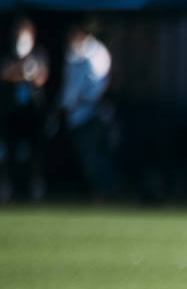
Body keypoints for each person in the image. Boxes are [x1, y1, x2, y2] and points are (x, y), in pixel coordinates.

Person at [59, 19, 116, 198]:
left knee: (93, 157)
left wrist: (82, 100)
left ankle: (104, 193)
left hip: (91, 115)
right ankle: (93, 192)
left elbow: (98, 88)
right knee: (83, 158)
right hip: (74, 115)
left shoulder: (97, 54)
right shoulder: (73, 54)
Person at [0, 15, 50, 201]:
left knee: (35, 153)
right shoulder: (7, 55)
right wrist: (20, 72)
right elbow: (5, 73)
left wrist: (28, 74)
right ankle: (6, 187)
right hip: (11, 112)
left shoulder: (38, 54)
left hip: (32, 113)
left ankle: (36, 187)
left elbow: (41, 77)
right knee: (7, 151)